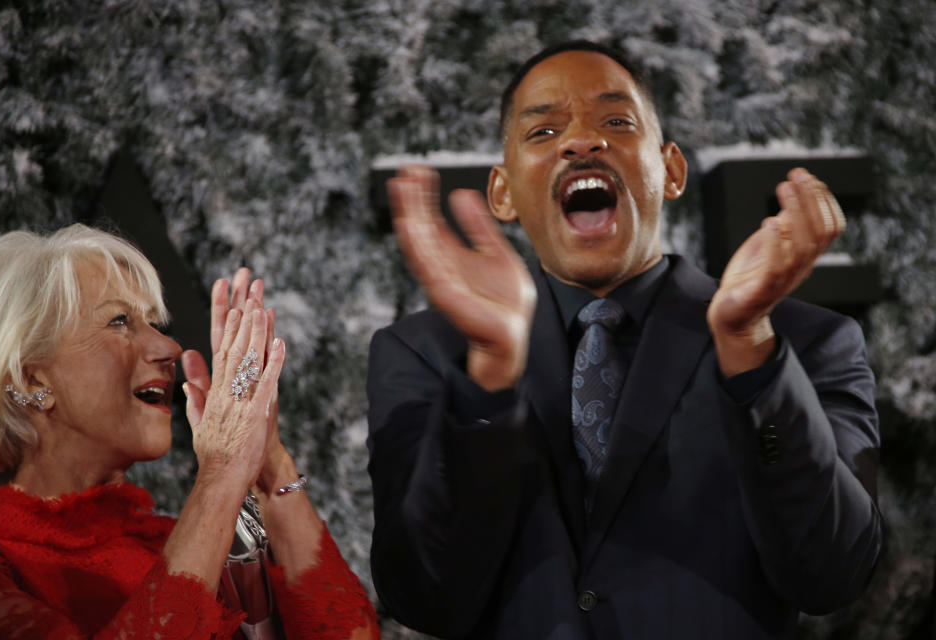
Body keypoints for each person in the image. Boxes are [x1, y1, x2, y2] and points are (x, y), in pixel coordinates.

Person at [366, 40, 881, 639]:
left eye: (616, 121)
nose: (582, 141)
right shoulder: (421, 352)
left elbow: (833, 576)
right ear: (502, 193)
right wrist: (489, 379)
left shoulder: (808, 342)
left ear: (671, 171)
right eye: (543, 131)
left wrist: (749, 349)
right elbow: (423, 597)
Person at [0, 224, 379, 639]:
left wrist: (268, 458)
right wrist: (221, 473)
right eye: (119, 321)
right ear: (31, 381)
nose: (169, 348)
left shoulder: (184, 546)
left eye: (155, 323)